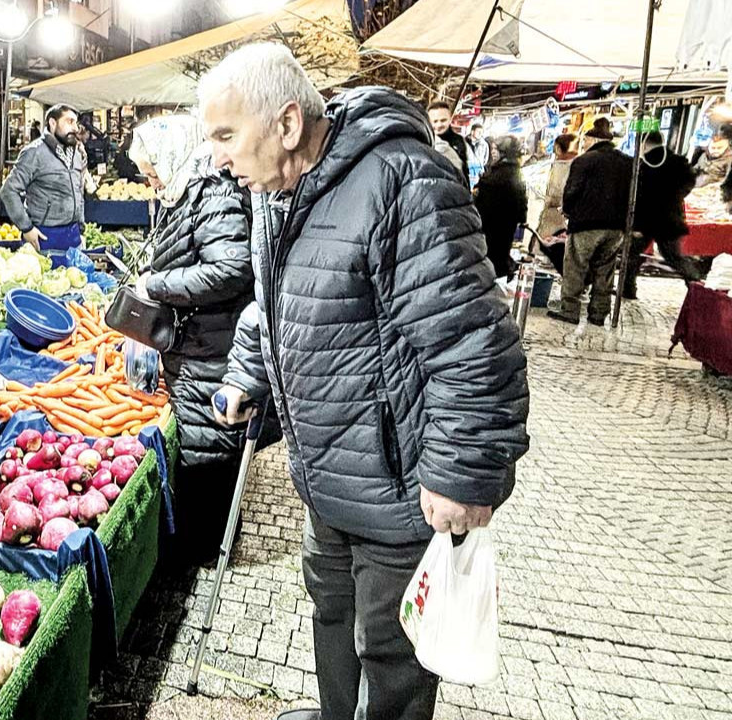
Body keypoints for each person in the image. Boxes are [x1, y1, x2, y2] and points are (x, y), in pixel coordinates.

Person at [201, 44, 529, 720]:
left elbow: (474, 342)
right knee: (331, 613)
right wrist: (246, 376)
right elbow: (275, 305)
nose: (217, 157)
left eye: (226, 135)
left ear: (287, 124)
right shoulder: (276, 194)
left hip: (399, 490)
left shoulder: (403, 181)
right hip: (326, 476)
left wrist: (462, 474)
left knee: (391, 650)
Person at [126, 114, 255, 561]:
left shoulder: (212, 192)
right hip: (199, 342)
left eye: (152, 172)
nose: (151, 183)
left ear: (172, 156)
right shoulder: (186, 190)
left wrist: (157, 285)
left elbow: (231, 268)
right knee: (204, 443)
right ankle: (210, 537)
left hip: (212, 345)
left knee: (209, 448)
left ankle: (209, 546)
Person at [549, 118, 632, 326]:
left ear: (594, 139)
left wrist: (567, 211)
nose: (583, 144)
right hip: (616, 227)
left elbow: (572, 190)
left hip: (586, 224)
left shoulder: (585, 160)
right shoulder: (628, 162)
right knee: (605, 269)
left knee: (575, 266)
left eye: (585, 140)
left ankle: (570, 309)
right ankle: (599, 314)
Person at [0, 104, 87, 251]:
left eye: (75, 123)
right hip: (44, 237)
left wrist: (81, 228)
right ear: (53, 123)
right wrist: (26, 228)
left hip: (73, 236)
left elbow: (79, 191)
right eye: (69, 121)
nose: (75, 128)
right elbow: (8, 190)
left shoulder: (76, 154)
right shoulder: (34, 152)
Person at [626, 130, 701, 296]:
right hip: (670, 218)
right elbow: (689, 182)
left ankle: (628, 288)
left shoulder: (643, 165)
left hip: (646, 220)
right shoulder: (679, 162)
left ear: (644, 144)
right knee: (674, 257)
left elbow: (638, 196)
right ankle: (696, 286)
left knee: (632, 254)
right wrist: (675, 197)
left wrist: (635, 224)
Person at [473, 135, 528, 281]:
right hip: (505, 225)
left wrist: (479, 190)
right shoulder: (513, 171)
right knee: (499, 255)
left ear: (505, 152)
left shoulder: (501, 173)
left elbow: (487, 198)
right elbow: (522, 200)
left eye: (496, 149)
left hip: (494, 224)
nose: (492, 152)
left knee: (493, 258)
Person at [534, 133, 580, 274]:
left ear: (560, 148)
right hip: (565, 215)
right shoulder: (578, 164)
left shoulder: (562, 166)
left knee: (549, 254)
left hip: (556, 214)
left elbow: (556, 192)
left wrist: (549, 202)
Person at [427, 100, 469, 173]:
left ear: (450, 119)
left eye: (443, 120)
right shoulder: (423, 140)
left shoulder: (459, 141)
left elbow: (464, 170)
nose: (439, 125)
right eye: (435, 121)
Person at [695, 123, 732, 187]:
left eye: (720, 148)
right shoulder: (703, 156)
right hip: (696, 186)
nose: (716, 150)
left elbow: (727, 181)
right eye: (713, 148)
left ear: (727, 147)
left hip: (714, 189)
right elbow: (694, 170)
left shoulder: (729, 160)